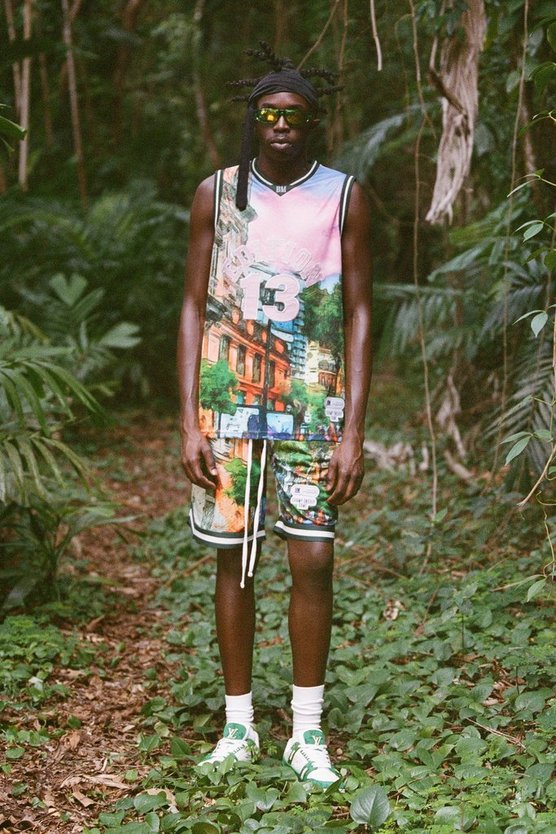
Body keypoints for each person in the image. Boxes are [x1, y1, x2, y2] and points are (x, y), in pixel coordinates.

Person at [177, 45, 372, 788]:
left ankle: (308, 731)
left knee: (313, 557)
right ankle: (238, 725)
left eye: (295, 115)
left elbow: (358, 310)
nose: (281, 125)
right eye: (269, 114)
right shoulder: (216, 194)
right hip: (229, 405)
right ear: (253, 121)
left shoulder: (346, 197)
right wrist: (189, 419)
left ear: (315, 123)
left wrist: (354, 427)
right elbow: (194, 305)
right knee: (235, 558)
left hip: (312, 405)